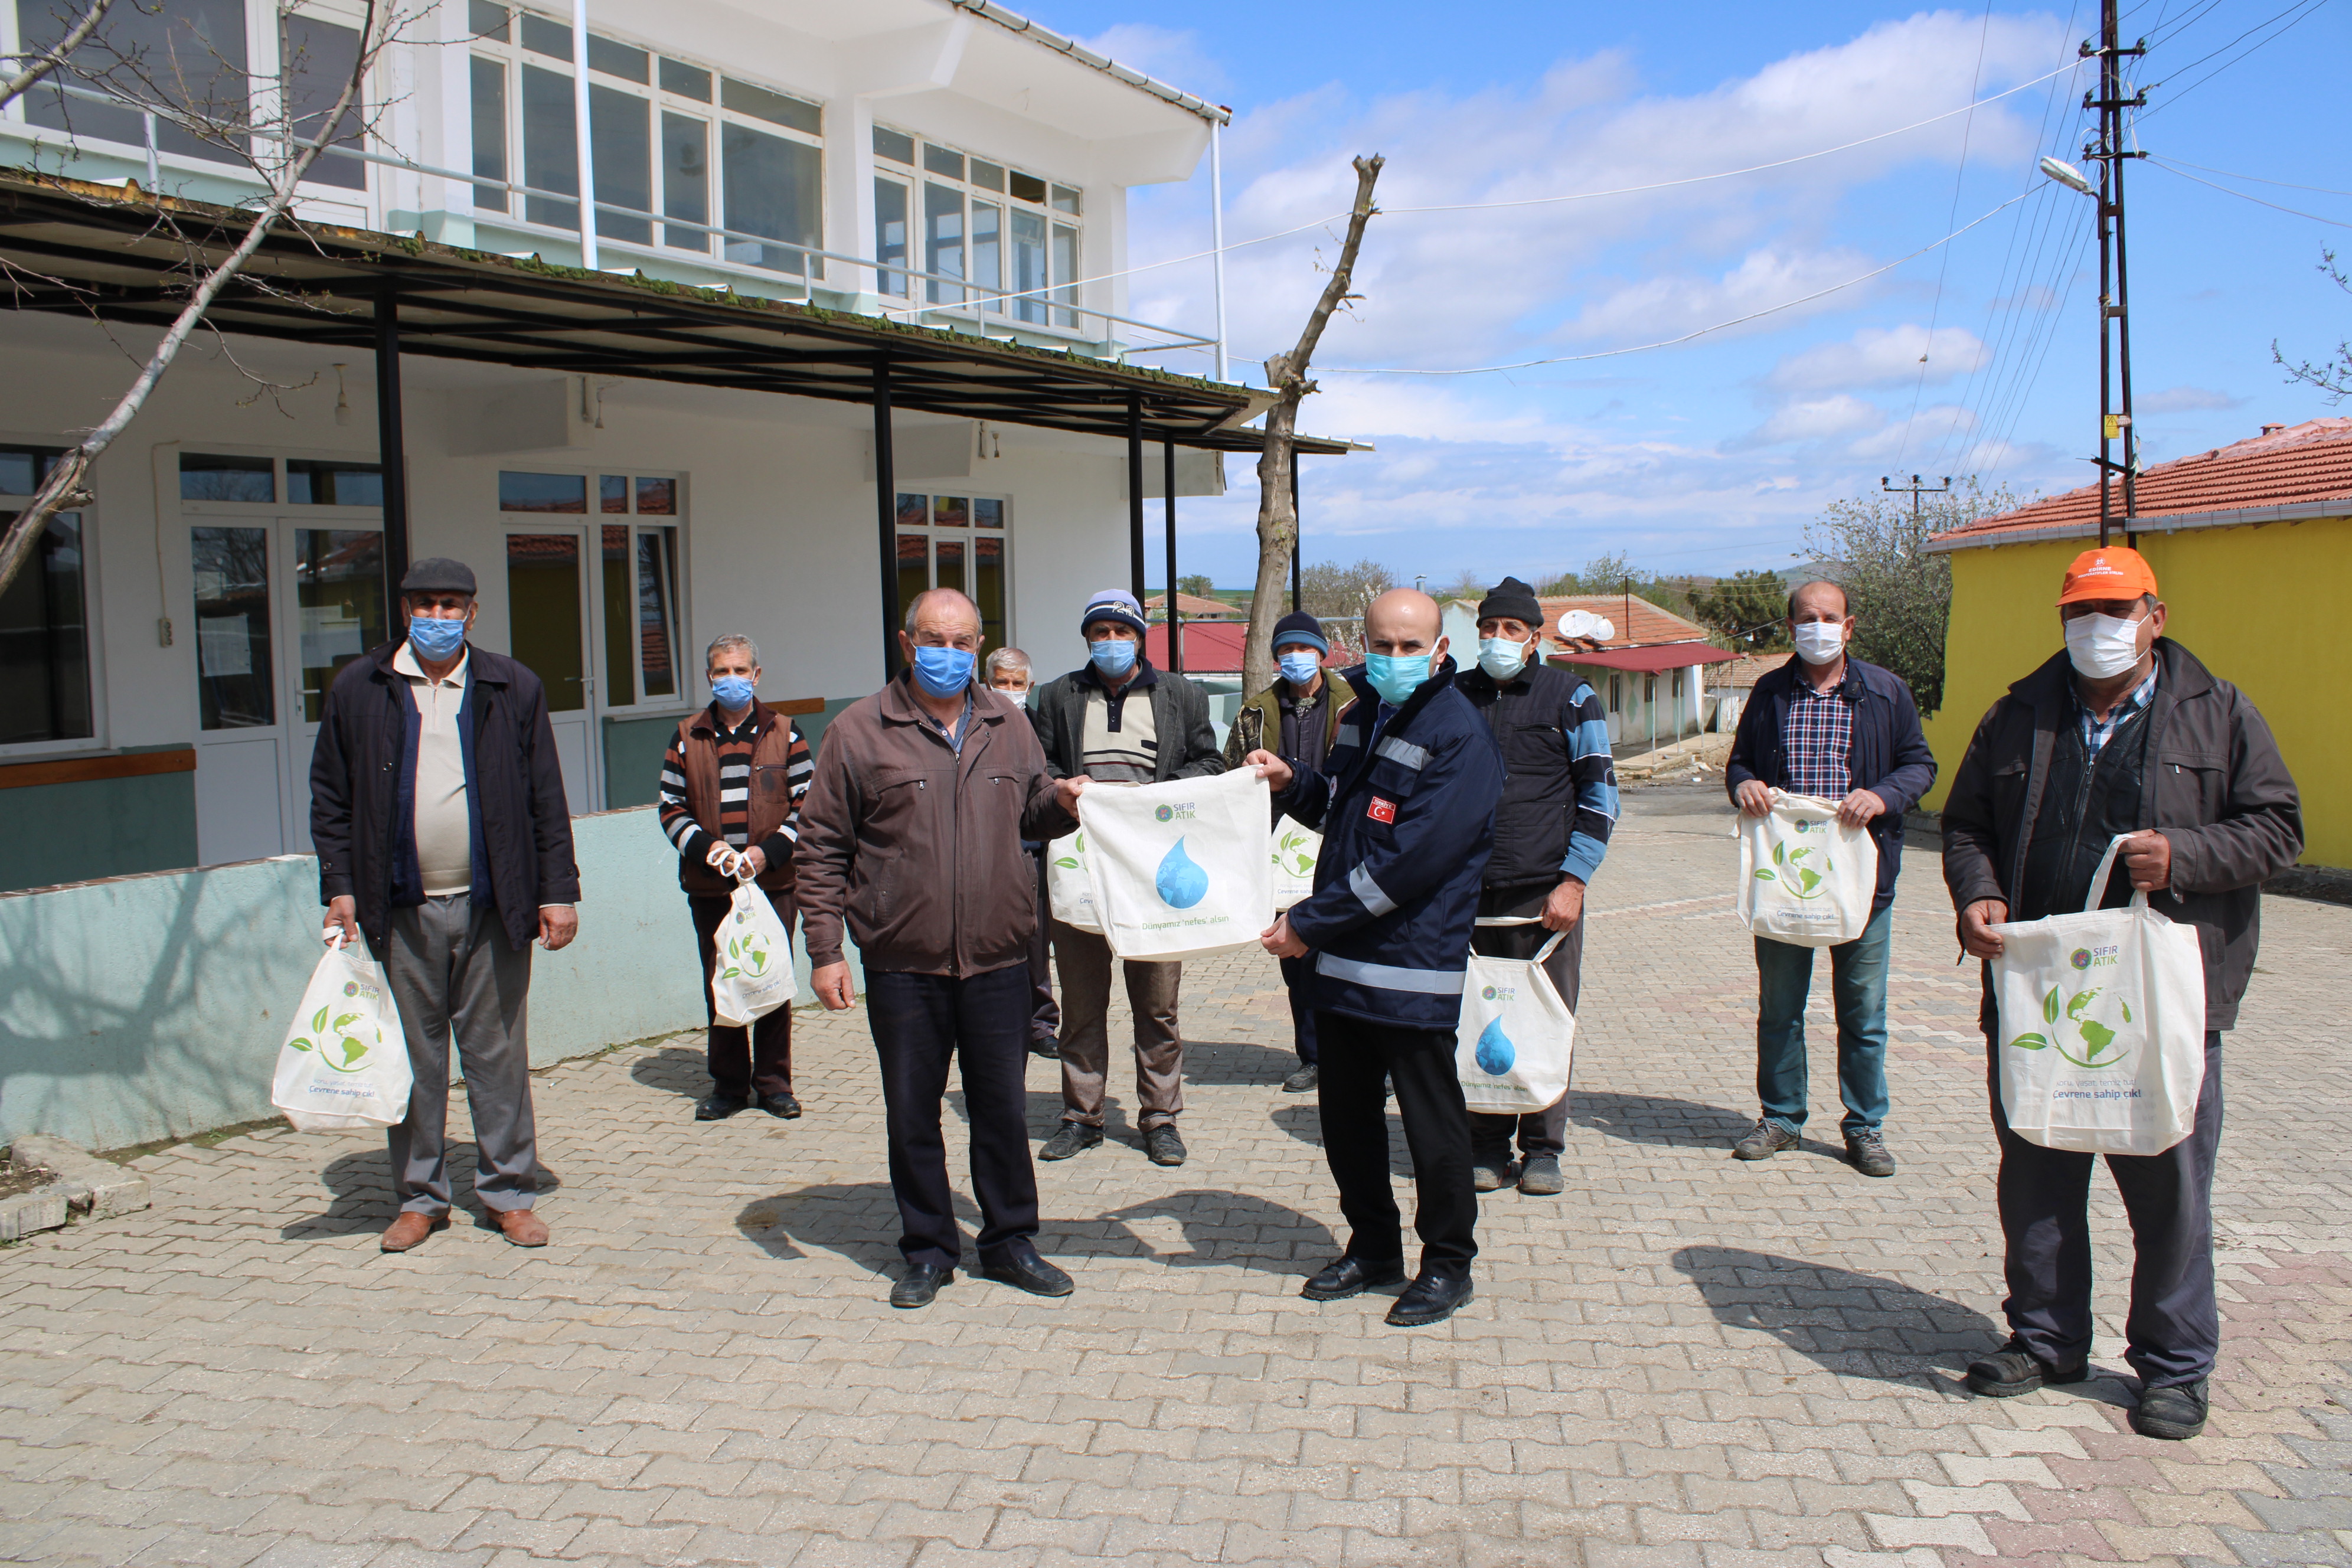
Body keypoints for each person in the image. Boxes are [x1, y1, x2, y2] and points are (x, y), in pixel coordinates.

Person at [1942, 545, 2300, 1442]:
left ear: (2156, 616)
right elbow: (1965, 826)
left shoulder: (2217, 714)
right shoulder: (2018, 713)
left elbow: (2278, 827)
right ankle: (2046, 1339)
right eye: (2078, 613)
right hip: (2043, 992)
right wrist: (1976, 892)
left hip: (2161, 995)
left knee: (2169, 1186)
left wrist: (2188, 856)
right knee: (2038, 1175)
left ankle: (2174, 1368)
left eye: (2115, 610)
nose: (2095, 629)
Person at [797, 589, 1087, 1309]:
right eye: (935, 639)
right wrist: (826, 950)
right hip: (903, 962)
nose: (949, 655)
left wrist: (1062, 803)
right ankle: (928, 1249)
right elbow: (821, 846)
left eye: (963, 643)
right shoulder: (859, 731)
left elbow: (1030, 808)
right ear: (906, 642)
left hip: (998, 957)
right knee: (912, 1112)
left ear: (980, 646)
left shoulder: (1007, 725)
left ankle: (1011, 1240)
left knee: (1002, 1111)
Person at [309, 557, 579, 1253]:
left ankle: (509, 1193)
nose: (437, 616)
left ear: (472, 611)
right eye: (425, 604)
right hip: (398, 906)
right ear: (405, 612)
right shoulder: (360, 688)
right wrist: (339, 886)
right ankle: (420, 1199)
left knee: (497, 1057)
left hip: (494, 905)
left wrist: (558, 891)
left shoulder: (509, 686)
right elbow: (331, 798)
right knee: (414, 1059)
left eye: (451, 604)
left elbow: (544, 797)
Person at [1251, 589, 1503, 1328]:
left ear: (1439, 651)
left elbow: (1407, 863)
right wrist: (1293, 782)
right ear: (1361, 644)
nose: (1392, 660)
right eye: (1380, 646)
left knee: (1430, 1127)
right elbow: (1344, 810)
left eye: (1407, 646)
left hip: (1408, 967)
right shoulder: (1363, 714)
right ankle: (1373, 1248)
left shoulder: (1459, 736)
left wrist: (1307, 922)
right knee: (1347, 1118)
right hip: (1343, 969)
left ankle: (1448, 1264)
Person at [1723, 581, 1936, 1177]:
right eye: (1807, 618)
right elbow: (1740, 761)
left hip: (1862, 879)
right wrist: (1743, 784)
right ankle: (1782, 1117)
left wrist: (1883, 794)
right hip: (1788, 877)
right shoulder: (1769, 692)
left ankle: (1864, 1125)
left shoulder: (1886, 693)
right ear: (1790, 627)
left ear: (1849, 626)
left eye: (1830, 617)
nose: (1819, 626)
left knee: (1863, 1012)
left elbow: (1919, 764)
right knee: (1780, 1008)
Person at [1028, 588, 1224, 1167]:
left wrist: (1156, 796)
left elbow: (1210, 763)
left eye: (1121, 632)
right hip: (1081, 864)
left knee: (1157, 1002)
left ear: (1140, 636)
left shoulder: (1181, 695)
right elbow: (1039, 772)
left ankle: (1160, 1116)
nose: (1110, 642)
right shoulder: (1059, 695)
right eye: (1100, 632)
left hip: (1153, 870)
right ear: (1087, 637)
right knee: (1083, 1002)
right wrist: (1064, 791)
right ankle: (1081, 1116)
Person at [1453, 577, 1616, 1197]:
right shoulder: (1456, 696)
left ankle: (1544, 1145)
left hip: (1543, 891)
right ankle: (1487, 1143)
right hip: (1469, 890)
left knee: (1546, 1018)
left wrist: (1574, 881)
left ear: (1535, 638)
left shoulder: (1569, 696)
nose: (1497, 639)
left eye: (1511, 630)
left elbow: (1600, 797)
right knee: (1481, 1017)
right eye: (1488, 629)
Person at [656, 633, 812, 1122]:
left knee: (770, 981)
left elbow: (808, 806)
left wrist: (767, 855)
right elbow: (671, 808)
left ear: (757, 675)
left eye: (740, 671)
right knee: (720, 981)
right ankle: (728, 1085)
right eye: (722, 672)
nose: (732, 680)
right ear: (709, 677)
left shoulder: (786, 732)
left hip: (773, 883)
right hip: (713, 885)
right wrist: (711, 852)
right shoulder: (687, 735)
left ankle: (773, 1085)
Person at [1223, 611, 1351, 1095]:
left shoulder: (1353, 705)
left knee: (1346, 952)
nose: (1296, 658)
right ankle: (1314, 1057)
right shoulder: (1255, 712)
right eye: (1286, 650)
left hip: (1339, 842)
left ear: (1322, 653)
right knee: (1297, 956)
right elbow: (1229, 773)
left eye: (1305, 649)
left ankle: (1363, 1063)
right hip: (1280, 851)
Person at [987, 646, 1060, 1060]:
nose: (1009, 690)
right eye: (1002, 682)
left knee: (1035, 945)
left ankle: (1040, 1024)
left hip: (1032, 856)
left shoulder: (1039, 730)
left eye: (1017, 683)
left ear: (1029, 686)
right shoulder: (970, 726)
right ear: (987, 683)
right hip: (985, 856)